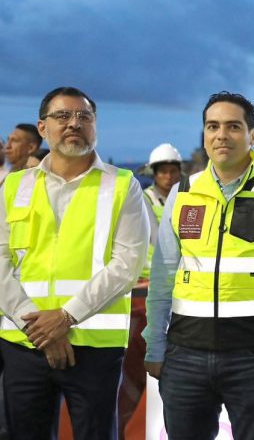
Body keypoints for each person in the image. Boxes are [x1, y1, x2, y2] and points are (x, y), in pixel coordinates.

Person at [142, 91, 254, 440]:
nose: (221, 135)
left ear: (252, 136)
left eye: (233, 126)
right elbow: (163, 278)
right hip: (184, 357)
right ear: (204, 136)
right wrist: (155, 346)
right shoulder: (183, 193)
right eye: (212, 126)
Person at [0, 86, 150, 439]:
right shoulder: (13, 186)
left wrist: (66, 317)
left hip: (93, 344)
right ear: (42, 128)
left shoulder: (122, 185)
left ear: (95, 126)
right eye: (62, 116)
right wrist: (39, 329)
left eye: (84, 116)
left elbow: (127, 263)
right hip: (25, 343)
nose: (74, 123)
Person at [117, 143, 183, 438]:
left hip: (173, 287)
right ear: (154, 174)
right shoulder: (142, 201)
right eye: (164, 171)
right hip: (142, 290)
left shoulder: (188, 199)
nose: (168, 176)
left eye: (173, 170)